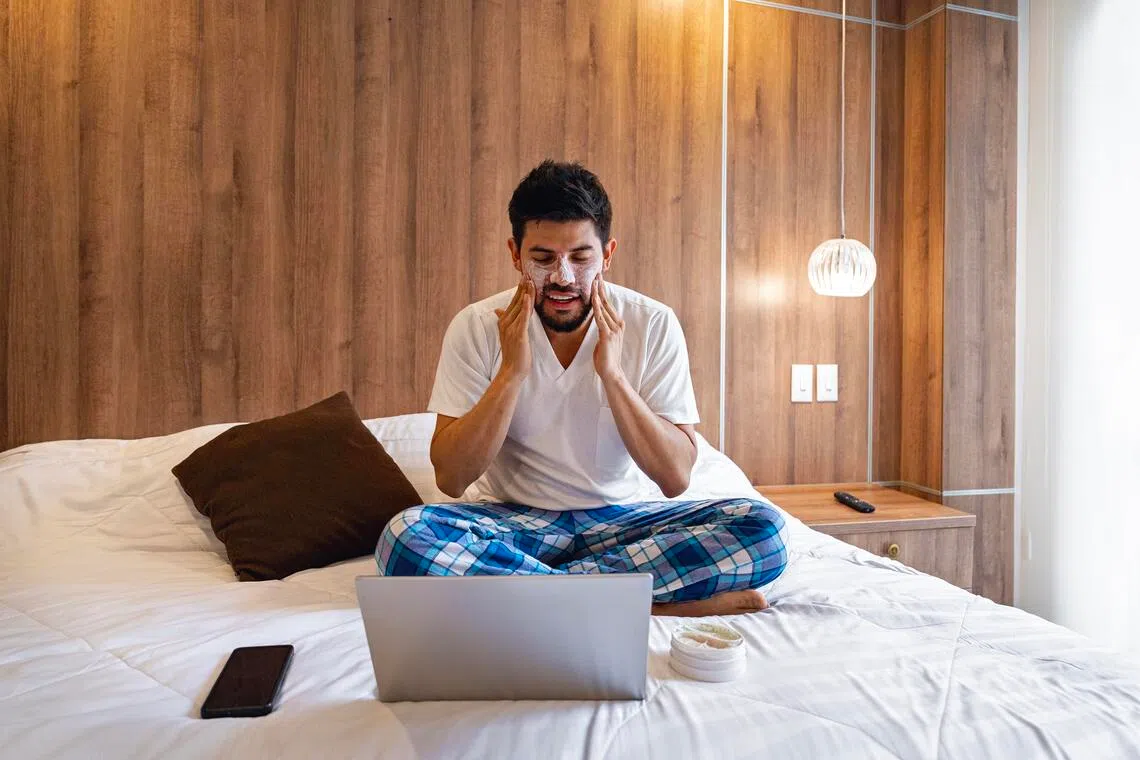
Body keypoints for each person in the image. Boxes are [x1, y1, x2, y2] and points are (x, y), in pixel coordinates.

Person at [376, 160, 788, 616]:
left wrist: (613, 375)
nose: (563, 277)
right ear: (515, 254)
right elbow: (451, 480)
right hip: (514, 522)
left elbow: (675, 479)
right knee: (404, 536)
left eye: (580, 257)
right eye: (543, 259)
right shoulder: (476, 326)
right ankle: (644, 606)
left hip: (624, 524)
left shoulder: (653, 322)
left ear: (607, 254)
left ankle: (540, 596)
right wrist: (511, 372)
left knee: (764, 529)